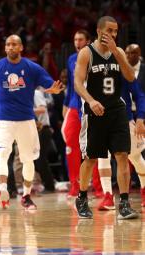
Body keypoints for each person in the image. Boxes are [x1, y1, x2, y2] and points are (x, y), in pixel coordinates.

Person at [0, 35, 63, 210]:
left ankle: (26, 196)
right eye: (8, 45)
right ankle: (3, 190)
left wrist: (53, 89)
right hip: (4, 121)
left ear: (21, 47)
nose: (11, 47)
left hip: (26, 121)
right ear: (5, 48)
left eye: (14, 44)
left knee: (28, 160)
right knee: (3, 154)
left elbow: (49, 84)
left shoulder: (31, 67)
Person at [74, 16, 138, 219]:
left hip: (117, 110)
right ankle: (82, 197)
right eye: (109, 30)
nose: (113, 34)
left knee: (121, 155)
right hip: (94, 112)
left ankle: (125, 203)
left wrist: (118, 54)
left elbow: (130, 77)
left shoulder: (118, 52)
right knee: (90, 158)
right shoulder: (87, 53)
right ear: (99, 30)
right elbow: (77, 82)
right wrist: (91, 101)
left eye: (116, 31)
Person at [62, 30, 103, 198]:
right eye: (75, 40)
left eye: (80, 39)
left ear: (88, 41)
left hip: (93, 105)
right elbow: (72, 86)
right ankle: (75, 185)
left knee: (95, 147)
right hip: (74, 106)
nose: (77, 42)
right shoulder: (71, 59)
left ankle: (99, 188)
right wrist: (65, 105)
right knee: (71, 147)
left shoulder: (97, 57)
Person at [97, 79, 145, 210]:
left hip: (124, 120)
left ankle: (144, 188)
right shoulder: (92, 68)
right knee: (102, 157)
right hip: (101, 121)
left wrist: (140, 118)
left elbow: (140, 96)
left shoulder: (123, 71)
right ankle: (108, 195)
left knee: (135, 158)